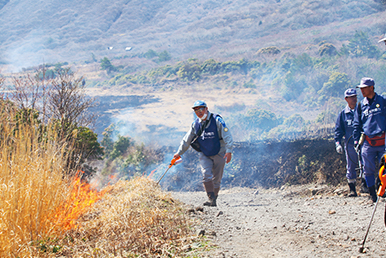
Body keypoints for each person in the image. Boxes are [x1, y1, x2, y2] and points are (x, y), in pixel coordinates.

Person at [173, 100, 233, 207]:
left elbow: (227, 135)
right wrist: (179, 152)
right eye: (196, 110)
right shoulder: (195, 124)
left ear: (206, 109)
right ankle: (211, 199)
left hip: (219, 152)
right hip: (204, 153)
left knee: (217, 178)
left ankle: (214, 198)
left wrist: (229, 151)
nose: (199, 112)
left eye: (201, 109)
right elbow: (186, 139)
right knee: (206, 175)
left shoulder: (217, 120)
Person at [353, 77, 386, 203]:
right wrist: (357, 141)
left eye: (364, 88)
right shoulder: (361, 105)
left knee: (384, 168)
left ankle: (383, 190)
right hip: (368, 142)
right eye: (361, 88)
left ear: (371, 87)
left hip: (383, 140)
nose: (362, 91)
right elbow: (357, 124)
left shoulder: (383, 101)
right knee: (368, 169)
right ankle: (373, 194)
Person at [335, 88, 362, 197]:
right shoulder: (343, 114)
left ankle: (365, 187)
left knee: (365, 164)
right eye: (351, 97)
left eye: (355, 96)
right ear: (346, 99)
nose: (354, 99)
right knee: (351, 166)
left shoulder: (361, 110)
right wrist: (338, 143)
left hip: (363, 142)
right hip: (349, 144)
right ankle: (352, 190)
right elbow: (339, 129)